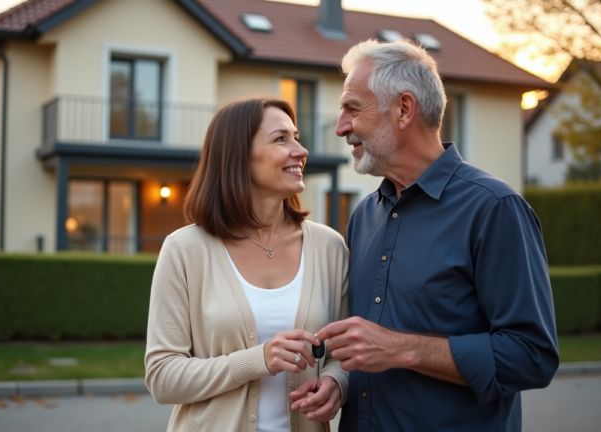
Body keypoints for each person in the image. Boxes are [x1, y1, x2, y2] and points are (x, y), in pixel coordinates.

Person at [311, 39, 559, 431]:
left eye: (352, 109)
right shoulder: (364, 216)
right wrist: (338, 383)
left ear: (404, 109)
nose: (342, 127)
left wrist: (401, 349)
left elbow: (532, 357)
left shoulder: (494, 209)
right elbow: (361, 349)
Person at [145, 98, 349, 432]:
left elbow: (343, 355)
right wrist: (258, 360)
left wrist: (337, 383)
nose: (300, 150)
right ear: (238, 156)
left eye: (296, 137)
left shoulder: (329, 248)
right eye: (280, 139)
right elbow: (162, 377)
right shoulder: (184, 250)